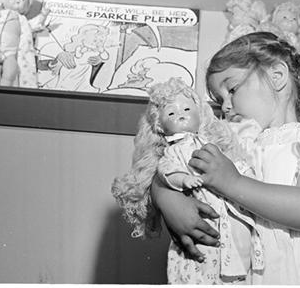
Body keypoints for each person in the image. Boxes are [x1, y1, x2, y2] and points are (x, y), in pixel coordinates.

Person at [151, 31, 300, 285]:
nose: (225, 107)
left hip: (291, 275)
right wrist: (167, 200)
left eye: (232, 90)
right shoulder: (231, 141)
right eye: (220, 100)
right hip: (236, 271)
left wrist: (232, 182)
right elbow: (170, 164)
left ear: (277, 76)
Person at [112, 77, 264, 284]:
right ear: (159, 125)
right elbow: (164, 171)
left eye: (232, 90)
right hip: (206, 223)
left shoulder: (221, 141)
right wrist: (172, 189)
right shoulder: (175, 151)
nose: (225, 106)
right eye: (171, 113)